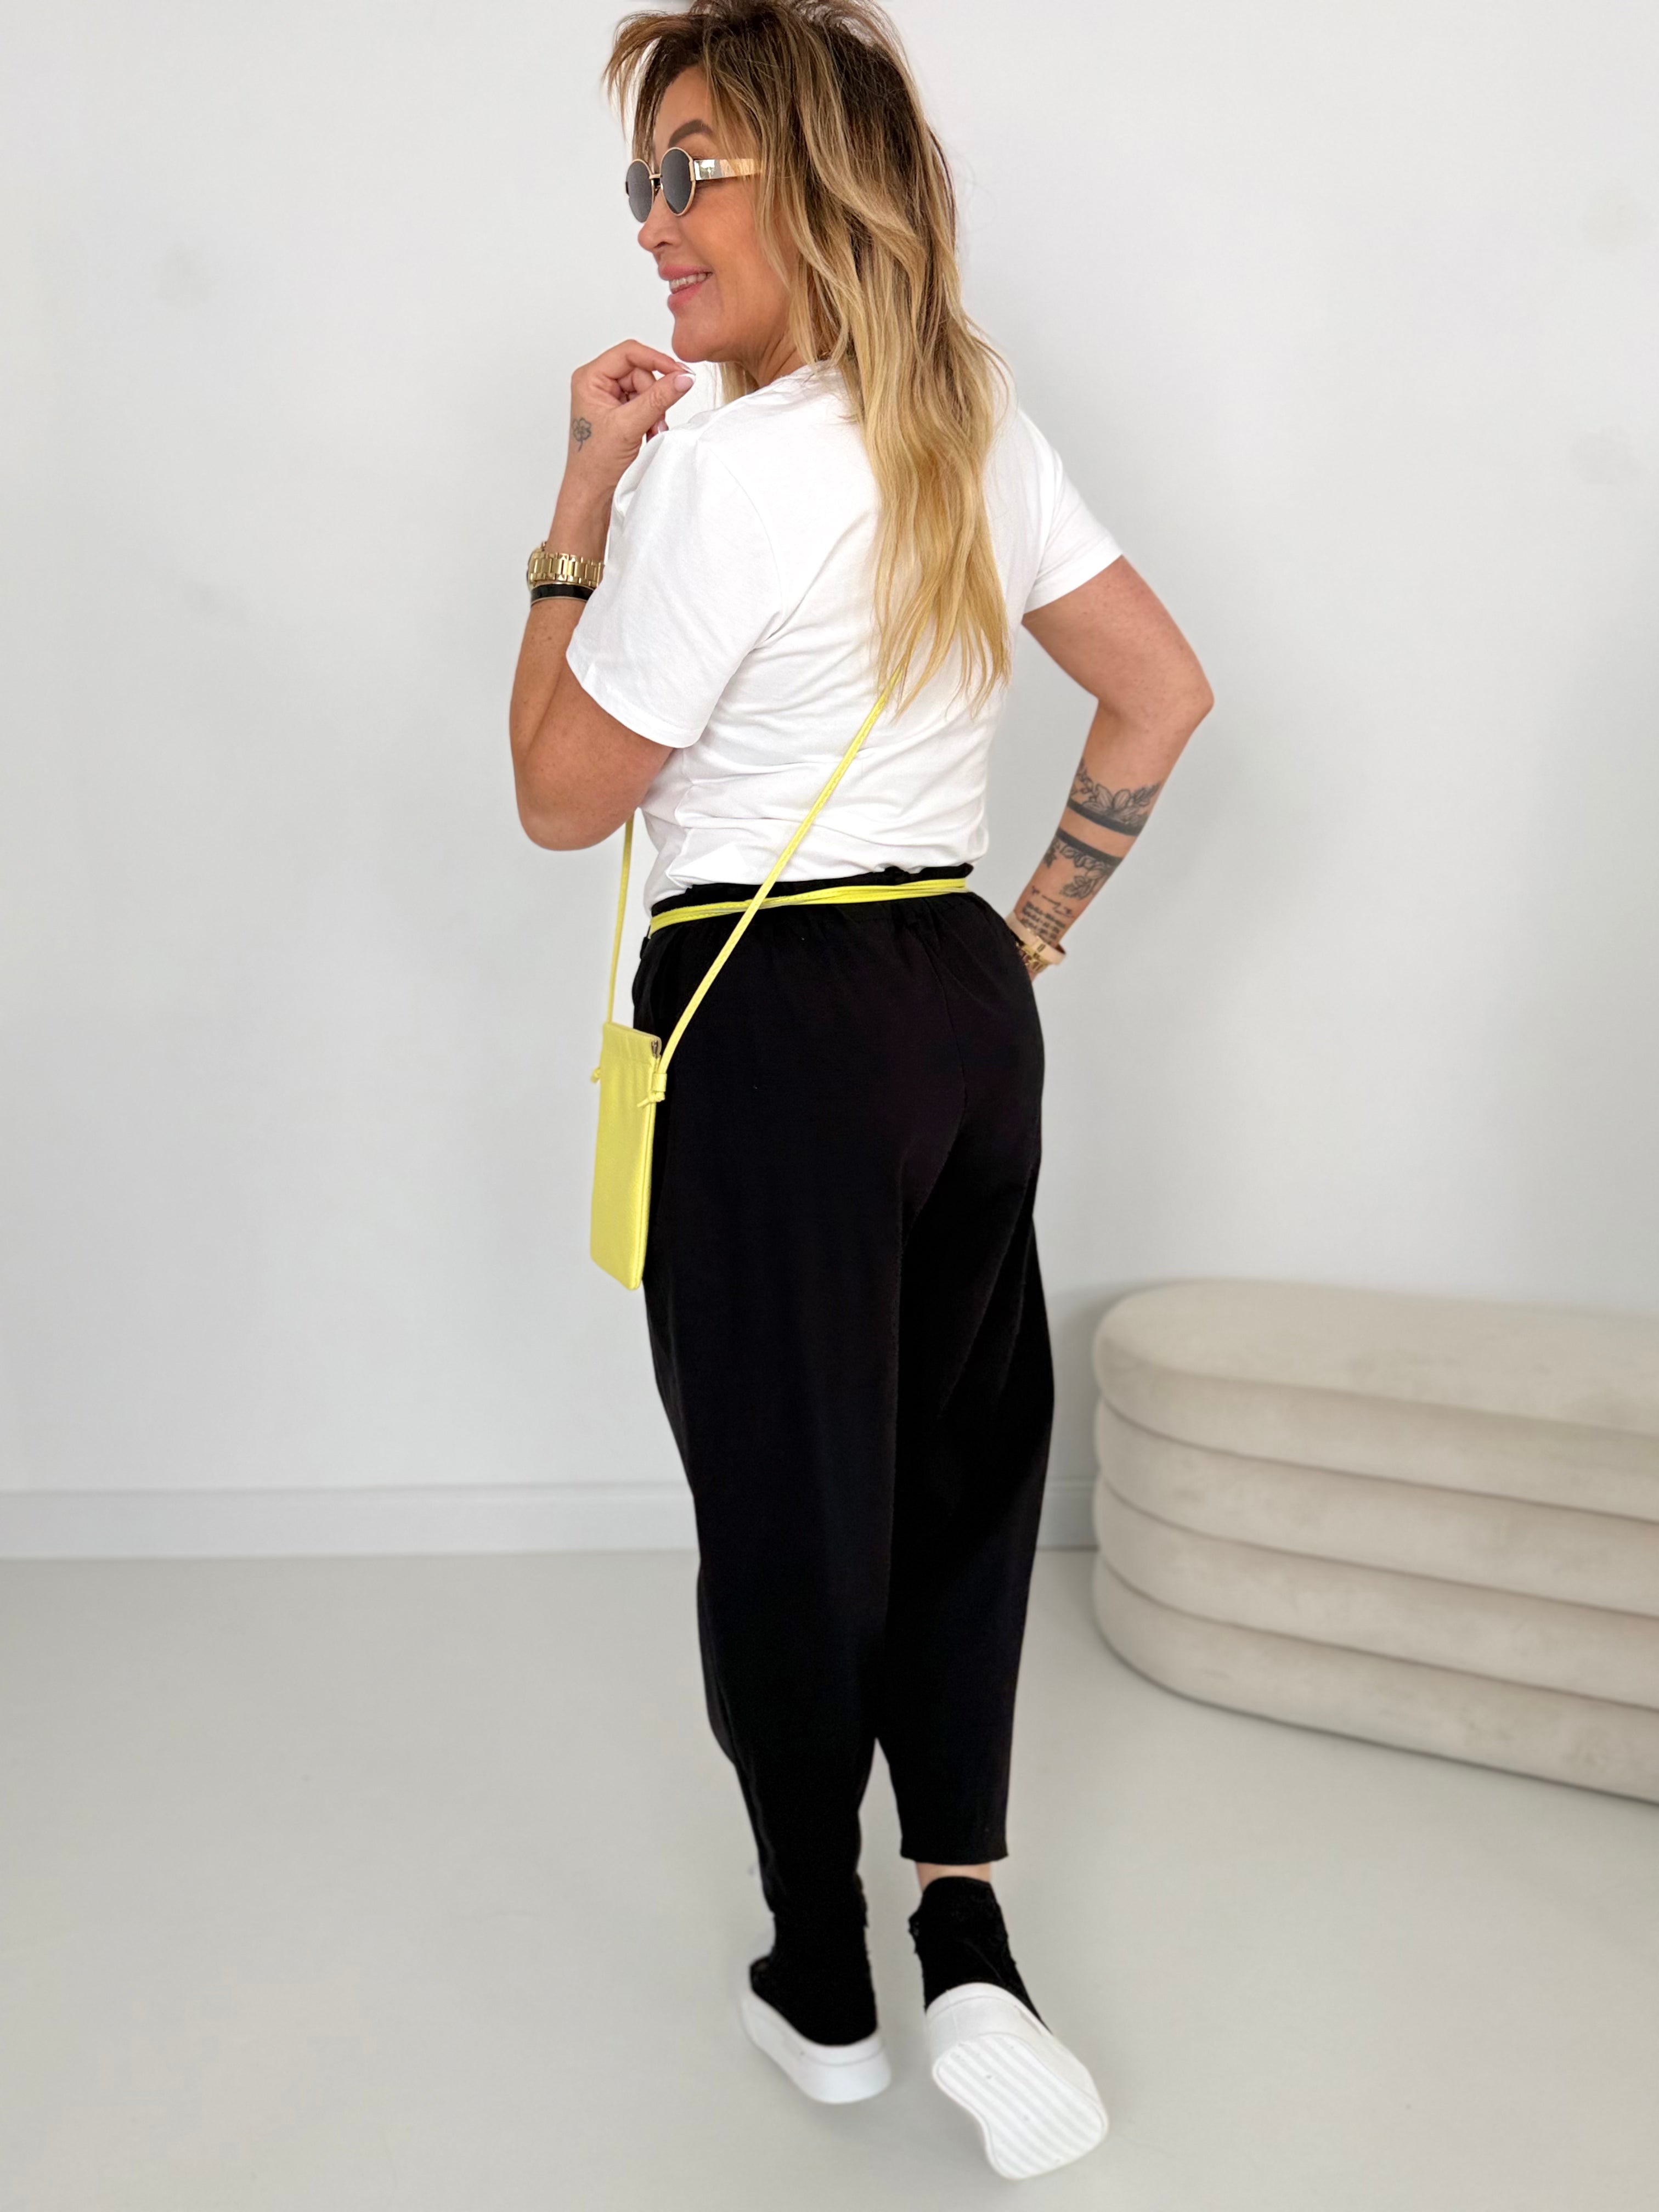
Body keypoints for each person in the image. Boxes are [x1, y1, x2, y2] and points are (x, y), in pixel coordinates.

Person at [507, 0, 1211, 2181]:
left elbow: (559, 793)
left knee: (792, 1508)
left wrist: (578, 501)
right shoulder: (974, 425)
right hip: (959, 1006)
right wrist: (1028, 937)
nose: (654, 225)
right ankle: (968, 1932)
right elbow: (1159, 694)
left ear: (817, 186)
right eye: (643, 179)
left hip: (772, 1019)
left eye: (693, 171)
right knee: (963, 1476)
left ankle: (826, 1975)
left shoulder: (719, 473)